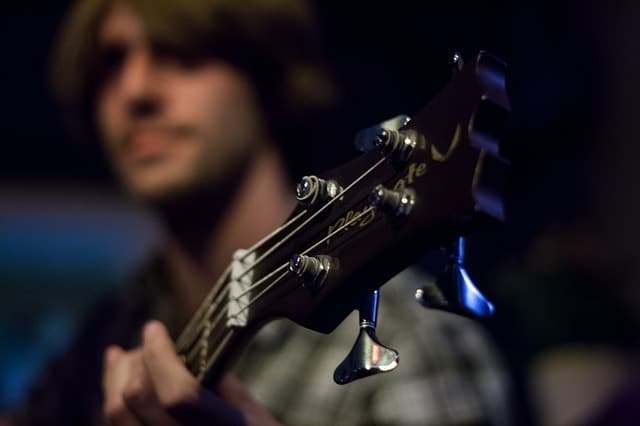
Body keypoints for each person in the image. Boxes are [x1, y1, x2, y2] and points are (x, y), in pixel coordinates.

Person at [6, 0, 511, 424]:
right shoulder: (105, 336)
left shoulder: (406, 347)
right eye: (110, 63)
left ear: (270, 79)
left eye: (180, 53)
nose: (136, 91)